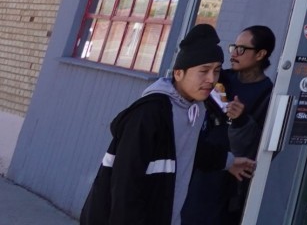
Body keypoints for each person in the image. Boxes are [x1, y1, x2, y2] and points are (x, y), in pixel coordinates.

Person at [81, 23, 253, 225]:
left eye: (216, 71)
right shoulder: (150, 113)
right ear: (178, 73)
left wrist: (228, 162)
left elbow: (186, 148)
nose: (211, 79)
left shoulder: (195, 108)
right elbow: (125, 184)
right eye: (204, 71)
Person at [182, 26, 277, 225]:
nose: (233, 53)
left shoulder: (268, 94)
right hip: (200, 166)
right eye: (234, 47)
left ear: (260, 54)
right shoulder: (221, 78)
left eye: (241, 49)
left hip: (230, 182)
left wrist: (241, 119)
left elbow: (259, 147)